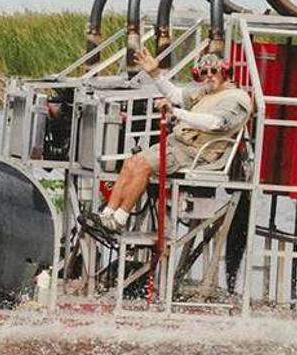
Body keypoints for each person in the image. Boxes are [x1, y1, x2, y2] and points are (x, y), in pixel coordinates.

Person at [97, 47, 253, 232]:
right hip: (177, 143)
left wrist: (176, 112)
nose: (209, 76)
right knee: (131, 161)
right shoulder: (206, 92)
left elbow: (215, 123)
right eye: (204, 72)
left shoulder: (236, 98)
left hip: (196, 153)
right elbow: (175, 95)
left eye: (214, 71)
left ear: (225, 72)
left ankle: (119, 219)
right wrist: (155, 73)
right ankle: (107, 214)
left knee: (144, 165)